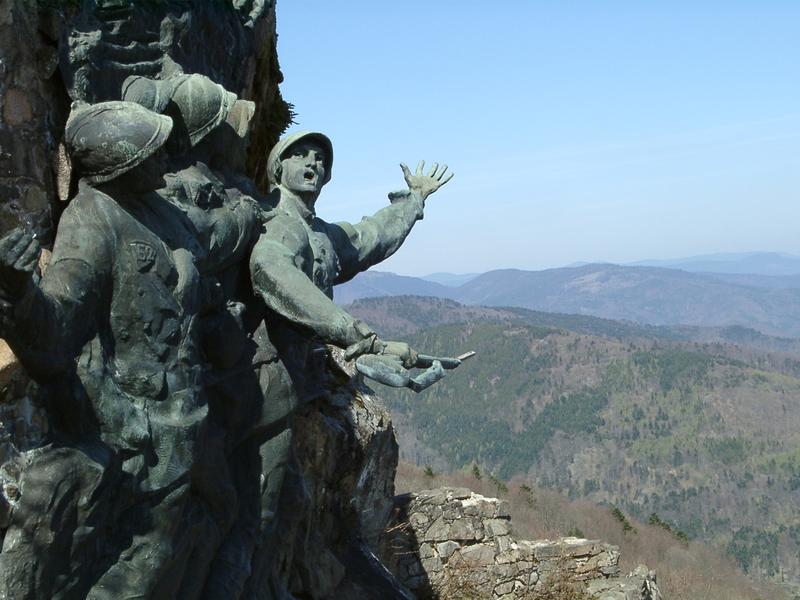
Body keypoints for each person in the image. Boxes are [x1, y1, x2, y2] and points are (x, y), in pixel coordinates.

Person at [0, 100, 236, 598]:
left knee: (209, 523)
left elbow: (209, 248)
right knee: (140, 566)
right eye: (151, 151)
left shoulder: (161, 207)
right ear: (121, 165)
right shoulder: (91, 223)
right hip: (138, 435)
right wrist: (17, 292)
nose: (164, 158)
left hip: (187, 415)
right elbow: (59, 329)